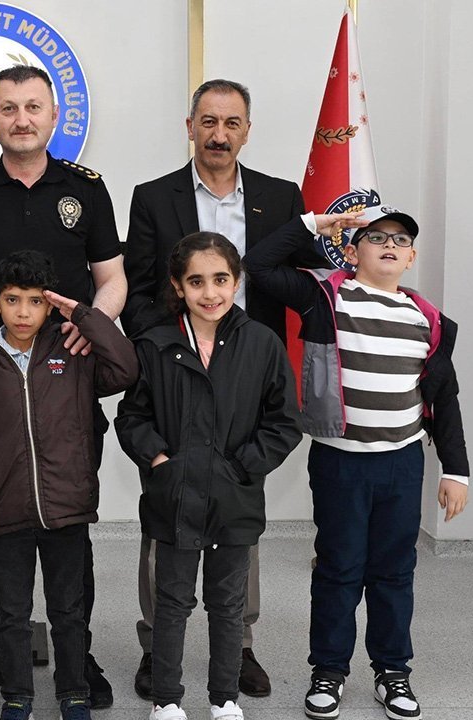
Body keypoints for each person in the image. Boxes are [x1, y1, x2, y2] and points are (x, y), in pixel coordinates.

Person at [0, 63, 126, 710]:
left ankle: (78, 657)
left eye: (33, 107)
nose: (21, 119)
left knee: (68, 528)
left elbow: (113, 278)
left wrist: (93, 329)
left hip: (66, 384)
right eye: (8, 108)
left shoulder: (85, 190)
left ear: (54, 114)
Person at [121, 79, 320, 700]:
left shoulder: (280, 198)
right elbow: (140, 288)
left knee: (238, 511)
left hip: (247, 376)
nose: (219, 134)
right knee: (167, 514)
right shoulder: (153, 197)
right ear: (190, 127)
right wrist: (164, 351)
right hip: (177, 369)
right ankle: (158, 647)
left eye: (232, 123)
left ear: (247, 131)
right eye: (208, 121)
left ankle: (240, 647)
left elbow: (296, 281)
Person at [243, 207, 470, 720]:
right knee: (338, 569)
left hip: (401, 464)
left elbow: (444, 399)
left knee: (394, 572)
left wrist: (455, 470)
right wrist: (312, 225)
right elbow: (258, 264)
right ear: (352, 251)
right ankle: (328, 670)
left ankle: (392, 671)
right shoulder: (326, 297)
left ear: (411, 257)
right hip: (341, 464)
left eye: (400, 240)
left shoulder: (427, 320)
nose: (389, 245)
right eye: (376, 237)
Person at [116, 233, 302, 720]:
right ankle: (166, 700)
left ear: (236, 281)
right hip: (174, 498)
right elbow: (132, 417)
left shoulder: (262, 343)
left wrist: (242, 467)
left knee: (228, 603)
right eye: (196, 281)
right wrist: (160, 461)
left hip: (235, 501)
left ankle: (224, 698)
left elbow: (285, 422)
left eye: (220, 279)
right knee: (172, 602)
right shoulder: (154, 344)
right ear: (178, 286)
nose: (210, 292)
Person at [0, 251, 138, 720]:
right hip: (3, 508)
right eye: (13, 300)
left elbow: (126, 368)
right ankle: (17, 696)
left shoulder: (72, 351)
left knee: (68, 610)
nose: (23, 312)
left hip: (65, 507)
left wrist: (84, 316)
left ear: (50, 305)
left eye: (35, 301)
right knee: (12, 614)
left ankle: (73, 692)